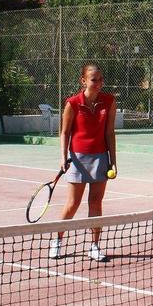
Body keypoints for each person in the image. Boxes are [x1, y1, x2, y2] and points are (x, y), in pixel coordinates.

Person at [50, 64, 117, 262]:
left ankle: (94, 246)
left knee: (96, 203)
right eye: (93, 80)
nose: (98, 83)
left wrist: (113, 162)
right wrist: (63, 157)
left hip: (100, 158)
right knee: (73, 204)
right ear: (84, 81)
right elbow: (64, 132)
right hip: (78, 158)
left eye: (100, 79)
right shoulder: (72, 103)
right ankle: (57, 241)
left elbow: (110, 133)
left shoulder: (109, 101)